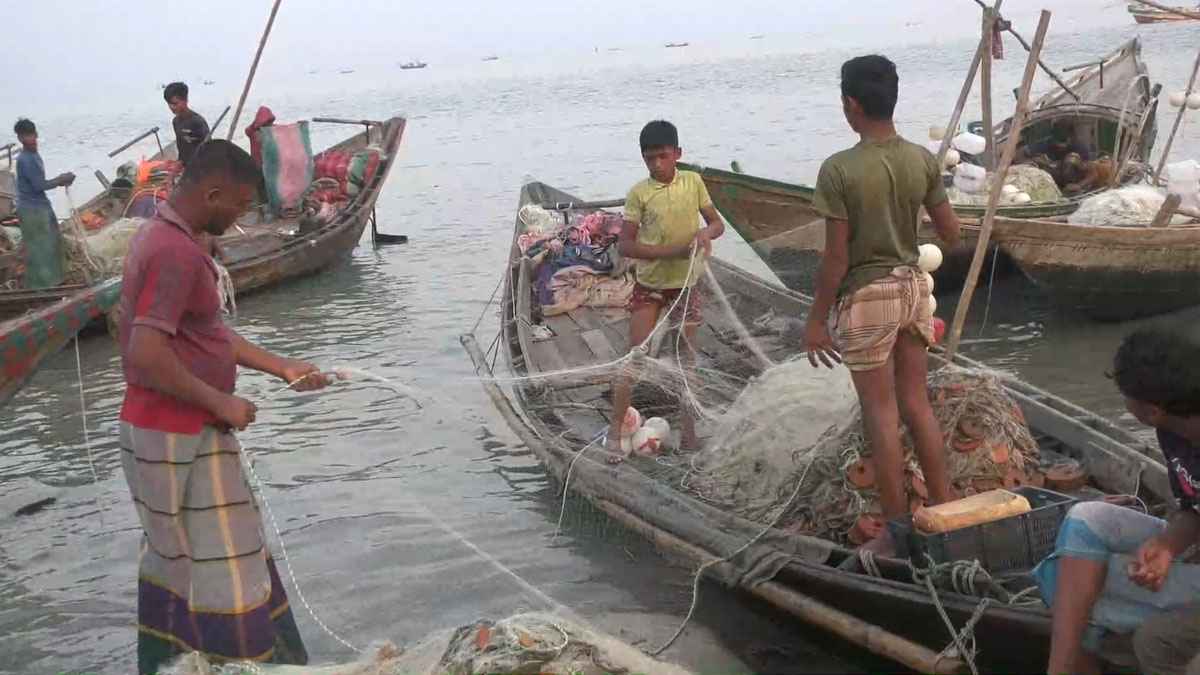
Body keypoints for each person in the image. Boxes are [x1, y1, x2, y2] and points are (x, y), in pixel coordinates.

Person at [117, 139, 325, 674]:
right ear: (212, 194)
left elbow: (208, 333)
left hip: (189, 428)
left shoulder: (178, 240)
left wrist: (281, 367)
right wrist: (221, 402)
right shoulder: (173, 251)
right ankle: (231, 664)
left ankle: (204, 661)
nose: (239, 219)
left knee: (206, 556)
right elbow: (145, 353)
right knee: (216, 569)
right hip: (175, 433)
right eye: (237, 206)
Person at [804, 55, 961, 549]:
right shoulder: (921, 159)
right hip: (915, 288)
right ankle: (947, 507)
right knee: (917, 403)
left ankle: (898, 529)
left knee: (881, 412)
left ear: (851, 105)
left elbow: (835, 259)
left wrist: (815, 321)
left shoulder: (839, 170)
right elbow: (952, 234)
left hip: (868, 296)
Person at [1039, 327, 1200, 675]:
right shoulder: (1173, 429)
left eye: (1126, 397)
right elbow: (1193, 509)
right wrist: (1167, 545)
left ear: (1153, 410)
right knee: (1085, 521)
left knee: (1061, 579)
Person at [605, 120, 725, 461]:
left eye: (662, 156)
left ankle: (689, 436)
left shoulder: (693, 182)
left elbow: (717, 223)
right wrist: (670, 253)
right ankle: (615, 435)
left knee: (686, 362)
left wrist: (706, 234)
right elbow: (627, 245)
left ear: (677, 154)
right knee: (633, 358)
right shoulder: (639, 193)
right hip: (651, 286)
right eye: (649, 159)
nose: (657, 164)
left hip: (685, 285)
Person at [12, 118, 74, 288]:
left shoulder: (33, 155)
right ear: (19, 139)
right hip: (32, 211)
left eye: (30, 135)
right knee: (40, 251)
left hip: (40, 207)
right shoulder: (25, 159)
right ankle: (41, 288)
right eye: (24, 136)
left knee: (51, 244)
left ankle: (53, 283)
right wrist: (61, 179)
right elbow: (40, 185)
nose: (28, 139)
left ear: (36, 134)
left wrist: (60, 179)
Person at [164, 81, 210, 166]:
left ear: (185, 100)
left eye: (175, 103)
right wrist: (177, 163)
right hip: (186, 168)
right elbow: (182, 150)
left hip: (201, 167)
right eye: (169, 104)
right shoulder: (176, 122)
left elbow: (209, 151)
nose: (171, 107)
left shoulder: (198, 122)